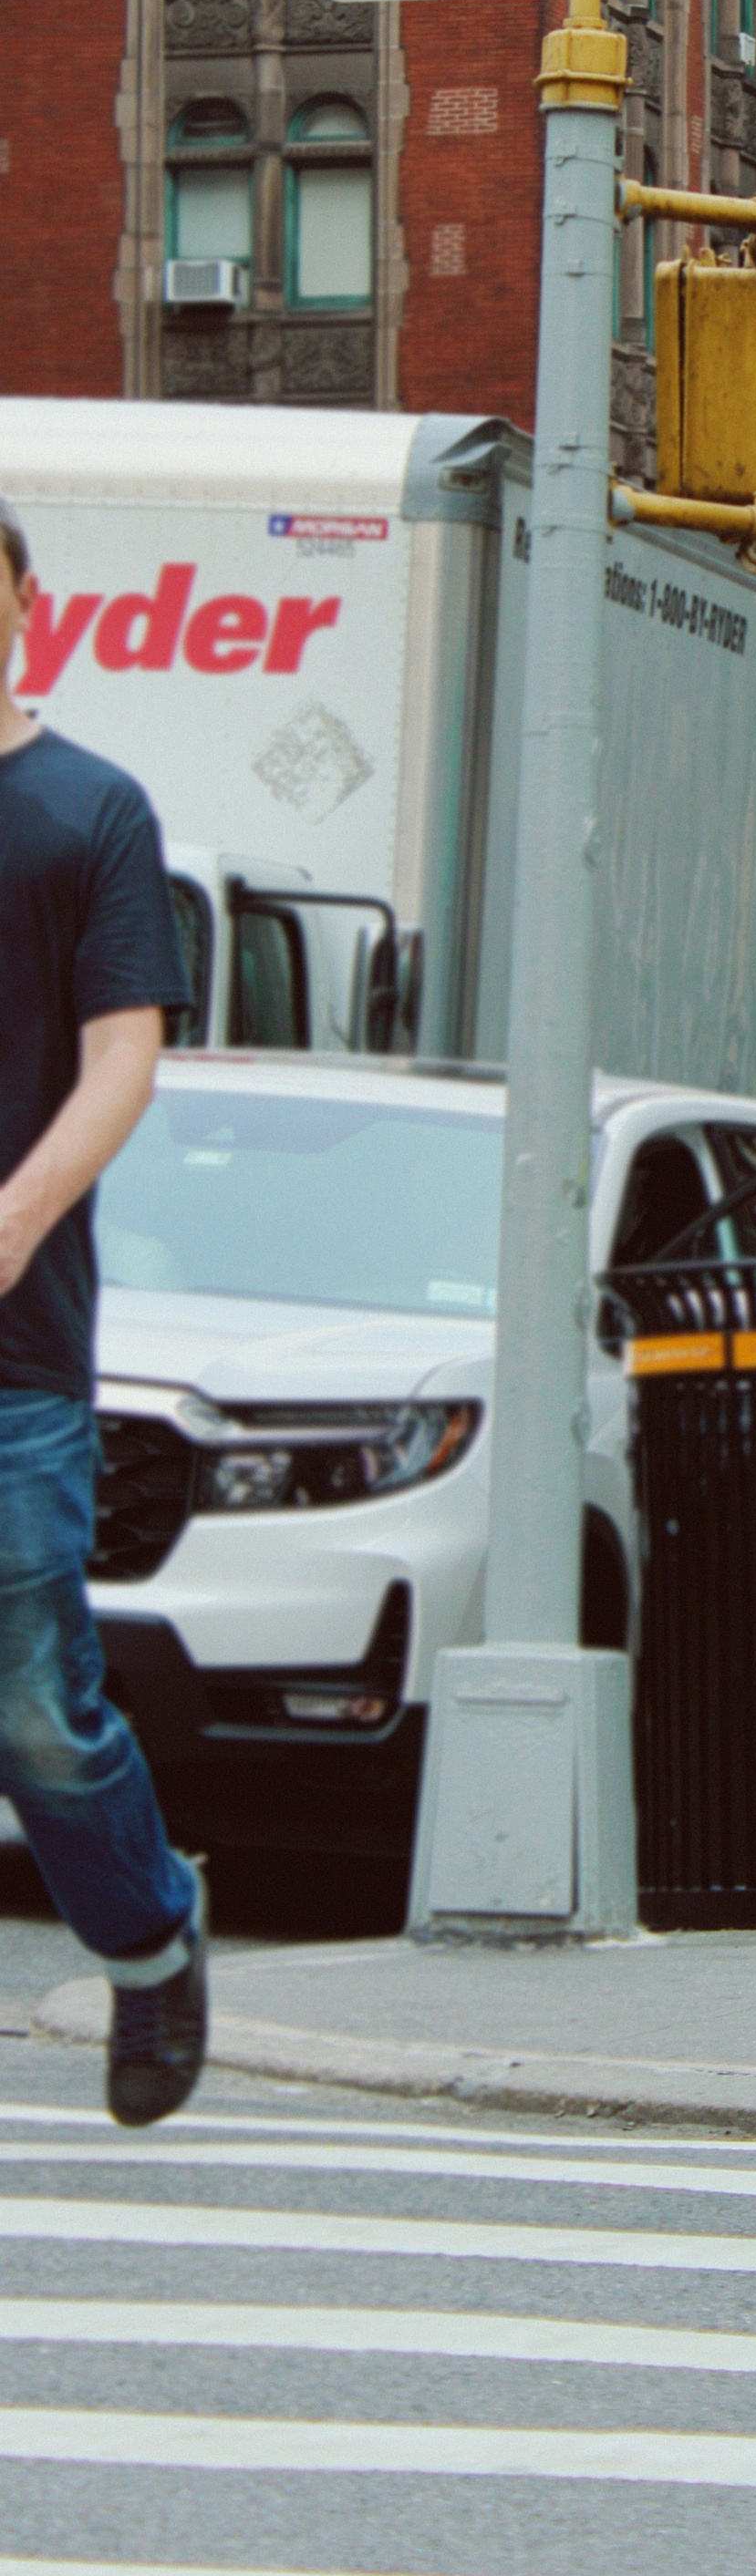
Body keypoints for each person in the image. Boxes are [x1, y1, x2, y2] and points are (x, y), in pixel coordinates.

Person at [0, 497, 205, 2127]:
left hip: (13, 1351)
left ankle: (147, 1940)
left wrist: (12, 1220)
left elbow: (123, 1055)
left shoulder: (87, 811)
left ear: (22, 608)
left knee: (34, 1705)